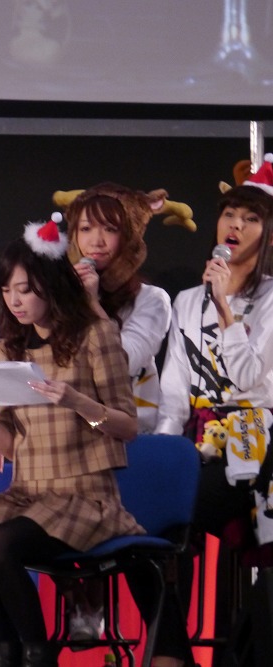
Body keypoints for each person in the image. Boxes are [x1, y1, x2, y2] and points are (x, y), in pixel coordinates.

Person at [0, 219, 143, 667]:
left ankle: (39, 655)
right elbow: (12, 448)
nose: (14, 301)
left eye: (25, 290)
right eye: (7, 291)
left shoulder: (96, 335)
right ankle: (1, 652)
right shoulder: (7, 351)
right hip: (27, 492)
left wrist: (76, 401)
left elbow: (128, 426)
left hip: (84, 495)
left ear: (51, 286)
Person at [149, 157, 273, 667]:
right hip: (195, 444)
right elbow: (174, 389)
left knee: (187, 508)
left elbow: (250, 383)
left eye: (251, 218)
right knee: (146, 520)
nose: (235, 225)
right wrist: (161, 454)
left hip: (256, 446)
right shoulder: (186, 301)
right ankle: (171, 653)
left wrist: (225, 311)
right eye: (229, 214)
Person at [58, 182, 194, 639]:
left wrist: (92, 305)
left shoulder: (151, 300)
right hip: (67, 442)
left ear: (129, 238)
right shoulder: (55, 294)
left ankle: (165, 644)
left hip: (130, 440)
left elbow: (125, 360)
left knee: (132, 539)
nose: (96, 240)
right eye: (85, 229)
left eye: (109, 230)